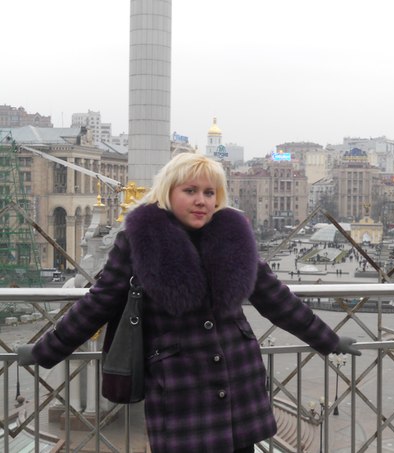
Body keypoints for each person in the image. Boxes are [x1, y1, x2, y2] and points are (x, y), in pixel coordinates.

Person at [17, 153, 361, 453]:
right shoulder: (140, 240)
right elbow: (99, 301)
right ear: (168, 192)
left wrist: (328, 340)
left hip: (240, 384)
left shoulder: (232, 235)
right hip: (180, 391)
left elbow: (275, 297)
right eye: (190, 191)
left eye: (210, 193)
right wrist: (46, 350)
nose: (202, 201)